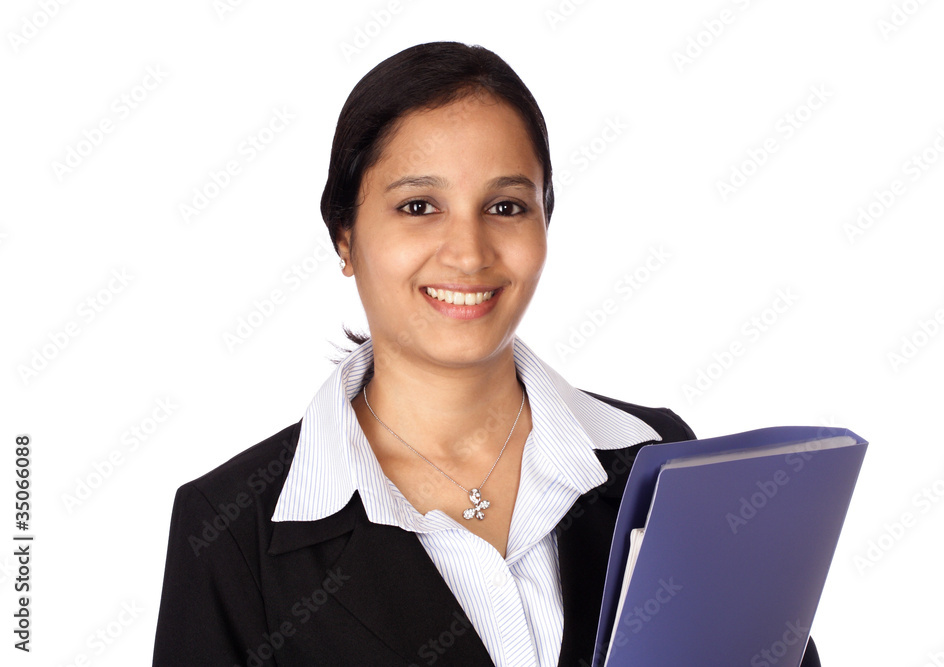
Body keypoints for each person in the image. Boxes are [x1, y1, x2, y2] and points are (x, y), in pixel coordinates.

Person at [151, 41, 821, 666]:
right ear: (346, 238)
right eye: (419, 206)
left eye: (505, 206)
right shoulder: (232, 533)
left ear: (544, 224)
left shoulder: (660, 459)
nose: (469, 253)